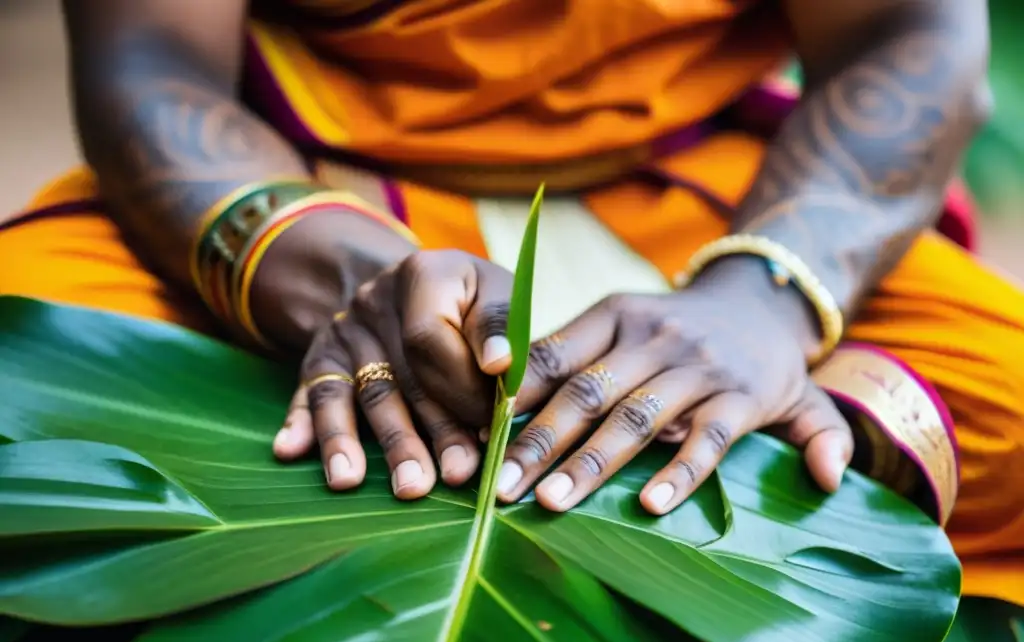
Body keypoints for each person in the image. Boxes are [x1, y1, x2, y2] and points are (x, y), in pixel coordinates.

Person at [0, 0, 1021, 609]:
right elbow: (149, 62)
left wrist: (765, 302)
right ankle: (757, 499)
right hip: (319, 193)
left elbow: (911, 31)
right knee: (28, 383)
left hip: (731, 207)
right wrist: (352, 282)